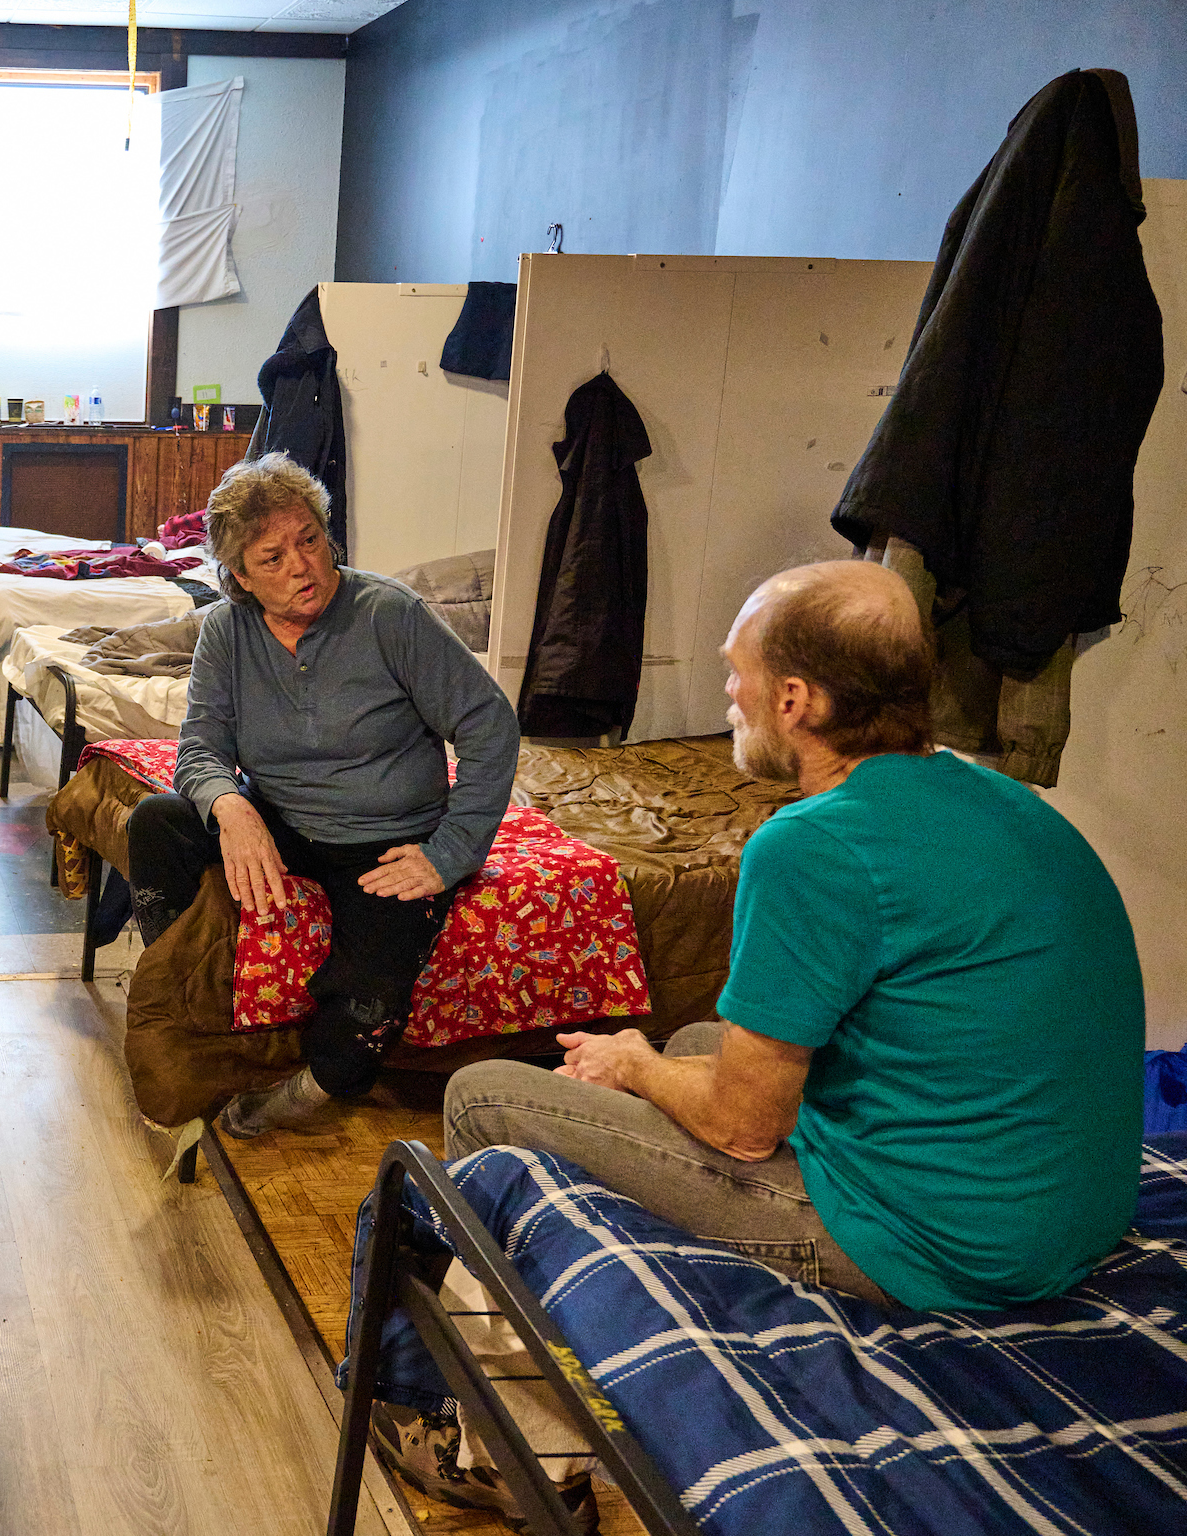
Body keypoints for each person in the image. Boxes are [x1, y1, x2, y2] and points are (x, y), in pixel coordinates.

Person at [444, 560, 1145, 1311]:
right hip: (1068, 1217)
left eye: (734, 671)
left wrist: (631, 1060)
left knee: (480, 1096)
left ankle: (477, 1369)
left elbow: (742, 1129)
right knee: (696, 1046)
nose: (728, 694)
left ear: (793, 700)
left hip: (948, 1246)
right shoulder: (1004, 798)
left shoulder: (812, 845)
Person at [128, 454, 520, 1135]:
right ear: (239, 578)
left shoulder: (387, 614)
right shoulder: (227, 630)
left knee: (367, 1004)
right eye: (272, 557)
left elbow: (489, 725)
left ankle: (311, 1088)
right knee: (156, 822)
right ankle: (185, 987)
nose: (302, 566)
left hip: (385, 839)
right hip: (282, 817)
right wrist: (231, 806)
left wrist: (450, 852)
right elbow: (199, 748)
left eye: (309, 540)